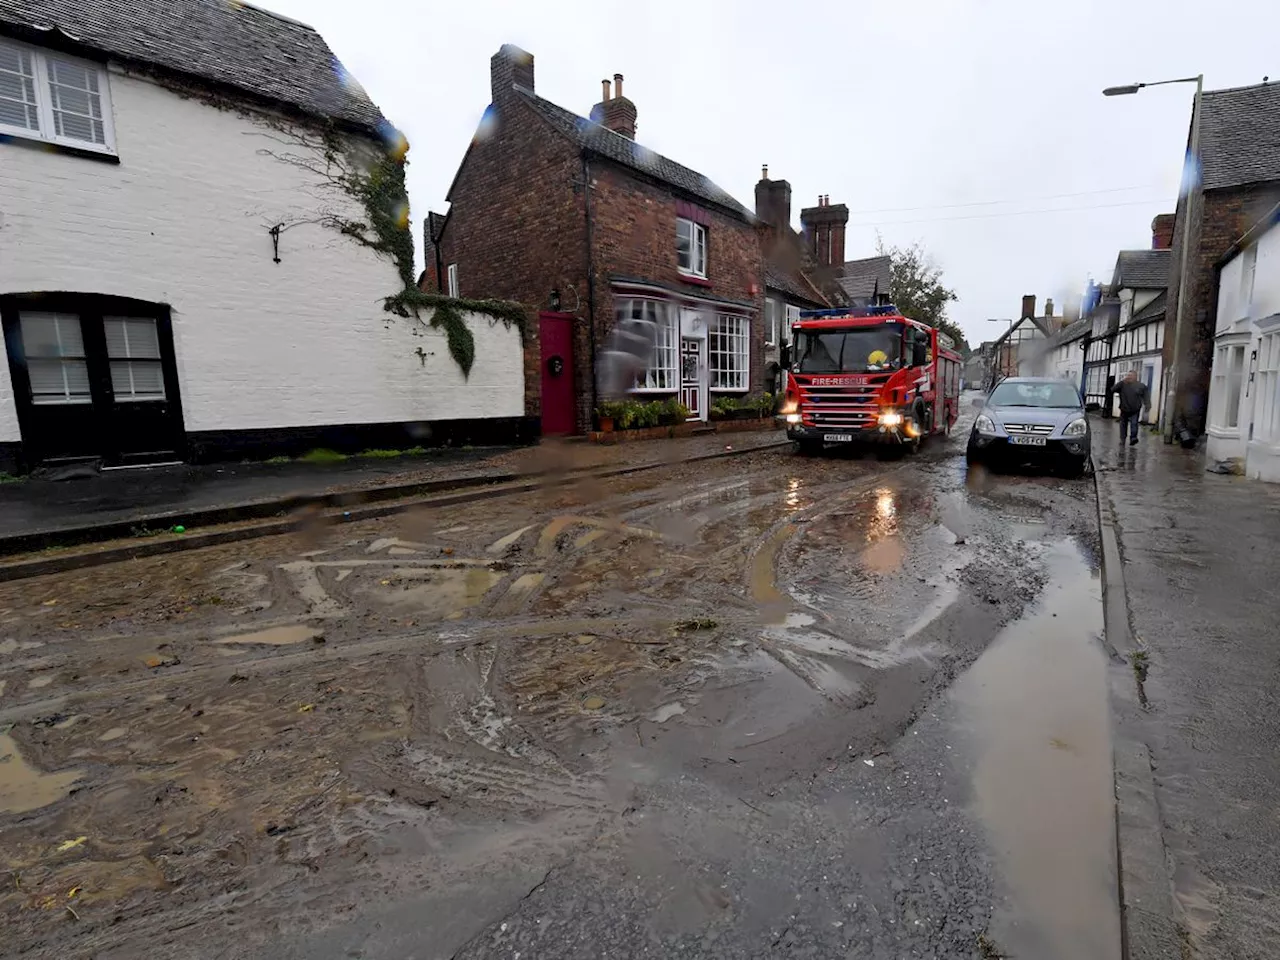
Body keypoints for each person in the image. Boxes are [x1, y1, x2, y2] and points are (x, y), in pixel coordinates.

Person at [1117, 370, 1150, 446]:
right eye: (1128, 375)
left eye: (1131, 376)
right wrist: (1121, 382)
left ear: (1135, 377)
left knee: (1134, 424)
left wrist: (1147, 405)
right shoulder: (1123, 385)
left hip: (1135, 409)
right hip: (1124, 409)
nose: (1129, 377)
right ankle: (1122, 440)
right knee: (1123, 425)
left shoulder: (1141, 386)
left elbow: (1146, 397)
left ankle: (1133, 438)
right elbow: (1113, 389)